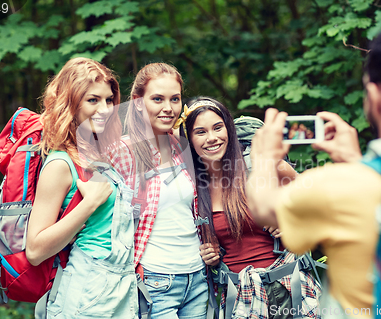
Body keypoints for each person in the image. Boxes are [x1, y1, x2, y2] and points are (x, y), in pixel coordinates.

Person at [247, 8, 381, 318]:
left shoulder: (339, 186)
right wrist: (358, 161)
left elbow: (264, 207)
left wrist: (262, 159)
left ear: (374, 97)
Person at [176, 96, 322, 319]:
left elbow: (318, 205)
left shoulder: (263, 167)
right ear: (189, 139)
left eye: (218, 128)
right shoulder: (190, 188)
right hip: (240, 299)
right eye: (201, 132)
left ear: (229, 130)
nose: (212, 138)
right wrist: (211, 256)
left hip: (290, 290)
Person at [25, 57, 138, 318]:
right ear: (71, 103)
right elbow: (35, 250)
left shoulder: (96, 156)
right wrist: (89, 204)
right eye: (93, 100)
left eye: (109, 100)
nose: (106, 108)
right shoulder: (60, 163)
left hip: (120, 291)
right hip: (86, 293)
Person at [109, 63, 210, 319]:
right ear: (138, 102)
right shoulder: (123, 151)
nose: (168, 108)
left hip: (197, 277)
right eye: (157, 99)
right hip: (155, 280)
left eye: (175, 99)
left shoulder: (182, 147)